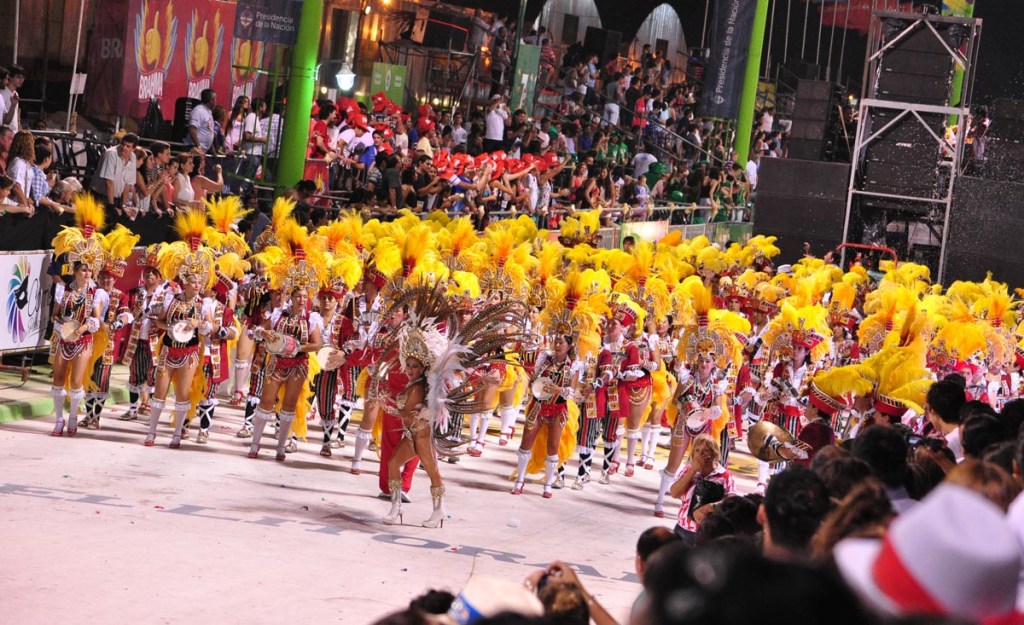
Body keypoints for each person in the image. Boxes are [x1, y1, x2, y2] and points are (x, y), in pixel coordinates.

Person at [247, 225, 324, 461]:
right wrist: (264, 334)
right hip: (276, 362)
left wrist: (296, 347)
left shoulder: (312, 319)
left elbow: (317, 346)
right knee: (267, 401)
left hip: (298, 364)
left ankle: (281, 447)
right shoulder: (278, 314)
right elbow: (261, 332)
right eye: (298, 296)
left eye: (305, 297)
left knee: (289, 404)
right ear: (290, 296)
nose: (302, 300)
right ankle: (256, 444)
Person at [143, 211, 215, 447]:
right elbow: (159, 322)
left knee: (183, 394)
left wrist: (197, 324)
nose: (197, 285)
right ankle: (152, 432)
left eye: (199, 281)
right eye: (193, 281)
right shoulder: (170, 299)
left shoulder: (204, 304)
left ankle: (177, 434)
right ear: (185, 281)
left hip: (189, 352)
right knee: (160, 392)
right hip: (168, 349)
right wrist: (170, 326)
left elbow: (210, 327)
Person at [49, 197, 109, 437]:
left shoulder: (97, 293)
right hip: (64, 339)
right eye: (83, 269)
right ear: (75, 270)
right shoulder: (62, 289)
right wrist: (60, 326)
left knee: (76, 382)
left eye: (89, 269)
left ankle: (73, 417)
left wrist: (82, 329)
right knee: (57, 379)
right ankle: (58, 419)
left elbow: (95, 320)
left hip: (82, 340)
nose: (87, 272)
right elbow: (55, 315)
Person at [81, 227, 137, 430]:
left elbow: (126, 313)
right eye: (103, 277)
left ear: (115, 279)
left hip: (107, 345)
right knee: (87, 379)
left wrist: (115, 324)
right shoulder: (90, 293)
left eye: (109, 278)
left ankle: (95, 416)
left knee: (102, 381)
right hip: (87, 342)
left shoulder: (120, 295)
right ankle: (88, 415)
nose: (106, 280)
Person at [511, 334, 577, 498]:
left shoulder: (574, 366)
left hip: (558, 408)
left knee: (553, 447)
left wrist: (558, 390)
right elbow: (534, 379)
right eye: (556, 341)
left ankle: (547, 485)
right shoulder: (544, 359)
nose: (557, 345)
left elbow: (571, 391)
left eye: (561, 342)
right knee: (525, 443)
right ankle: (519, 481)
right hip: (538, 406)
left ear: (569, 346)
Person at [119, 246, 172, 421]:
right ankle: (133, 409)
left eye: (153, 274)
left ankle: (148, 404)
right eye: (148, 273)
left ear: (159, 277)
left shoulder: (166, 295)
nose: (150, 276)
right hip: (137, 339)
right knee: (134, 374)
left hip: (154, 341)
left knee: (152, 374)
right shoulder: (136, 293)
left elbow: (168, 318)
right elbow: (127, 310)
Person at [668, 434, 736, 544]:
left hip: (707, 534)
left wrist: (710, 506)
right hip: (682, 529)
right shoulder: (687, 470)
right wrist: (692, 471)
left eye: (705, 451)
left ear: (714, 453)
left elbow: (733, 503)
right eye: (697, 450)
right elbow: (674, 493)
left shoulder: (725, 476)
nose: (700, 454)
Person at [91, 133, 138, 214]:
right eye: (123, 144)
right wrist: (111, 205)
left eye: (128, 146)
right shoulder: (111, 154)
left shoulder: (133, 157)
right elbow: (109, 182)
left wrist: (123, 205)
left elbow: (127, 184)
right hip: (101, 197)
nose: (124, 148)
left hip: (116, 199)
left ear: (133, 149)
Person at [1, 64, 24, 131]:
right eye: (18, 77)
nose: (21, 80)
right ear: (10, 77)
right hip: (4, 135)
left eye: (23, 77)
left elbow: (17, 119)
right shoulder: (2, 94)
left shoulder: (16, 94)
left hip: (14, 134)